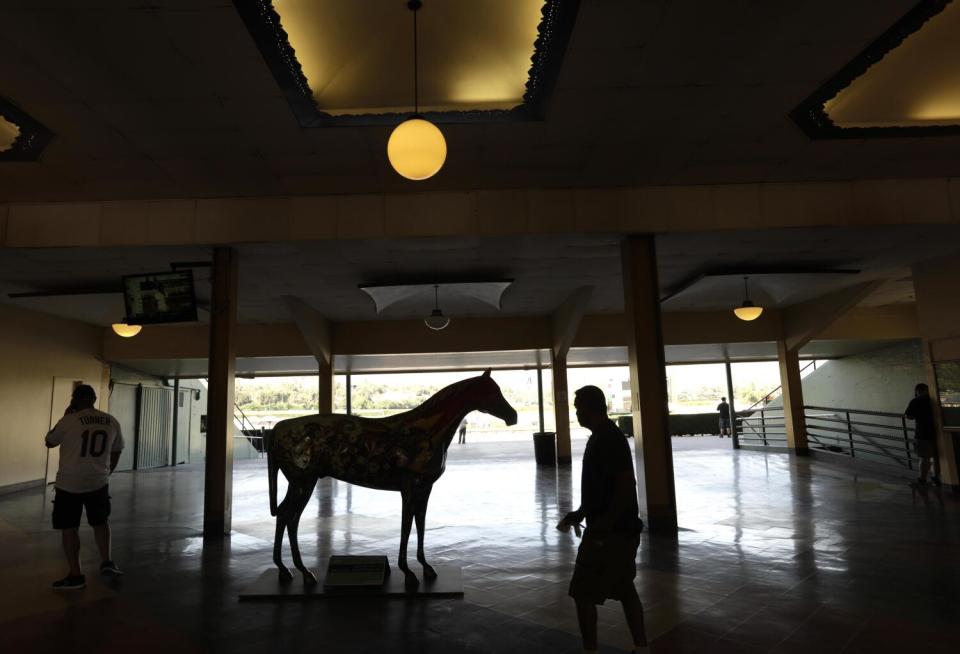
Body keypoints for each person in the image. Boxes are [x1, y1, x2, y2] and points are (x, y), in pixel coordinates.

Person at [557, 385, 647, 654]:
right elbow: (601, 486)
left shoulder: (608, 438)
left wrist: (604, 524)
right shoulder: (602, 436)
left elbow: (624, 483)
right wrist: (581, 513)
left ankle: (591, 650)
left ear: (591, 407)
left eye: (578, 407)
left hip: (610, 534)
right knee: (624, 587)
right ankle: (642, 648)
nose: (576, 413)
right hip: (619, 530)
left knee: (583, 593)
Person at [45, 384, 125, 590]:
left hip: (69, 484)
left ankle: (76, 575)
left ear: (75, 400)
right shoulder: (111, 421)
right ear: (94, 399)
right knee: (101, 523)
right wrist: (107, 472)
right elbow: (117, 450)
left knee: (69, 527)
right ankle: (106, 562)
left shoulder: (68, 420)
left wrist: (65, 416)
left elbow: (49, 441)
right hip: (98, 482)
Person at [905, 383, 939, 486]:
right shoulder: (935, 399)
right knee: (937, 457)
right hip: (939, 433)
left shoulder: (916, 401)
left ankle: (922, 479)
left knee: (924, 458)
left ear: (917, 391)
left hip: (922, 433)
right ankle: (936, 477)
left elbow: (909, 416)